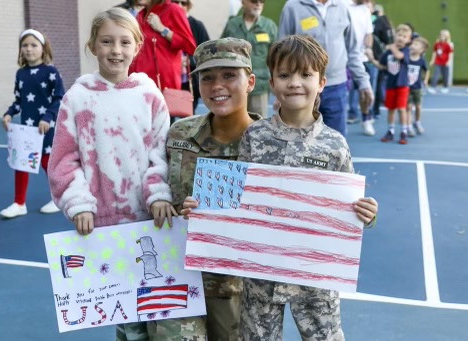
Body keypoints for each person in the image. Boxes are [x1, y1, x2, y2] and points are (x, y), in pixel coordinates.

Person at [235, 34, 378, 341]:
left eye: (305, 74)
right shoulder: (254, 136)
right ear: (272, 83)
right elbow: (237, 198)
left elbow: (349, 208)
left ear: (322, 83)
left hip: (316, 278)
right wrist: (206, 209)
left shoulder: (335, 145)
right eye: (284, 75)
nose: (295, 83)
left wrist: (366, 213)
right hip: (262, 274)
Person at [47, 8, 177, 337]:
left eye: (123, 42)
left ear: (138, 46)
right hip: (105, 229)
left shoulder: (150, 96)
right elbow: (63, 159)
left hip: (151, 223)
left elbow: (161, 152)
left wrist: (159, 193)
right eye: (106, 41)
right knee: (128, 318)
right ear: (92, 46)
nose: (115, 50)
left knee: (161, 313)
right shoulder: (76, 99)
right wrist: (78, 203)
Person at [156, 38, 262, 340]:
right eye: (207, 77)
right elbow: (154, 186)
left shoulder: (271, 144)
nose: (217, 85)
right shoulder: (179, 134)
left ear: (250, 81)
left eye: (229, 75)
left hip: (236, 287)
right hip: (178, 275)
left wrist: (362, 212)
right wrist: (170, 207)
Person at [278, 0, 374, 137]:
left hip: (336, 87)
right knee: (298, 141)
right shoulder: (293, 6)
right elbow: (282, 52)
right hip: (303, 87)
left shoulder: (342, 7)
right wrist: (281, 87)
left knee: (335, 141)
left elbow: (353, 51)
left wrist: (364, 81)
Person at [0, 29, 65, 219]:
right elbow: (19, 100)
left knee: (47, 163)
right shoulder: (21, 74)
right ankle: (19, 203)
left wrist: (48, 118)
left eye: (33, 45)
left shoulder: (51, 72)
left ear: (43, 48)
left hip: (46, 128)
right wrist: (9, 114)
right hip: (26, 130)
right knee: (21, 164)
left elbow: (59, 98)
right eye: (25, 45)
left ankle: (58, 198)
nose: (29, 49)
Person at [221, 0, 278, 117]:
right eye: (254, 1)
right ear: (243, 2)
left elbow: (276, 60)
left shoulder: (270, 26)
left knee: (258, 125)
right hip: (234, 84)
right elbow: (221, 52)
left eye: (262, 1)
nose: (258, 4)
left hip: (259, 85)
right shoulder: (232, 25)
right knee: (234, 122)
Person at [129, 0, 196, 93]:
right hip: (138, 84)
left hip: (163, 86)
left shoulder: (173, 9)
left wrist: (162, 29)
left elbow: (189, 45)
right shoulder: (140, 15)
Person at [375, 24, 412, 145]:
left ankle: (404, 131)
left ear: (408, 40)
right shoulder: (388, 53)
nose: (401, 38)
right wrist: (371, 59)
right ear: (395, 36)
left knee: (401, 109)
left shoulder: (405, 51)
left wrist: (392, 47)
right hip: (390, 85)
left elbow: (399, 56)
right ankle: (390, 131)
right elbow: (382, 65)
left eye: (404, 36)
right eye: (399, 35)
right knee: (391, 109)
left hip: (402, 85)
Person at [345, 0, 377, 136]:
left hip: (359, 59)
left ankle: (366, 119)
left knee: (364, 92)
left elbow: (368, 34)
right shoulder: (339, 4)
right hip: (340, 59)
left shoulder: (365, 10)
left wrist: (368, 48)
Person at [173, 0, 210, 113]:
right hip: (169, 81)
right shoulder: (165, 24)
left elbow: (207, 53)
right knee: (166, 120)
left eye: (183, 3)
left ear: (188, 5)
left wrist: (190, 61)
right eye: (175, 2)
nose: (179, 6)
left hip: (189, 81)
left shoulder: (197, 25)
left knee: (188, 120)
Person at [371, 3, 393, 119]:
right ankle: (375, 110)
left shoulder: (368, 19)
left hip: (368, 56)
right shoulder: (384, 21)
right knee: (378, 83)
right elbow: (388, 39)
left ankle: (368, 112)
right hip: (379, 56)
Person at [407, 36, 429, 136]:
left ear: (422, 50)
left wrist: (426, 79)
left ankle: (417, 122)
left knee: (418, 107)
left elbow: (427, 70)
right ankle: (409, 125)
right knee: (409, 107)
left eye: (416, 45)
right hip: (406, 87)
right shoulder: (406, 57)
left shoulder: (421, 60)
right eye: (412, 44)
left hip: (417, 88)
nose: (413, 46)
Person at [428, 29, 454, 94]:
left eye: (444, 36)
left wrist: (449, 61)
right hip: (438, 62)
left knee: (445, 75)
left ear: (447, 37)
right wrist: (432, 60)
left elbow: (450, 54)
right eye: (441, 35)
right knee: (435, 75)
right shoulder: (437, 44)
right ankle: (432, 87)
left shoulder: (448, 45)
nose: (442, 37)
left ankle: (445, 87)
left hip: (445, 63)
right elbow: (434, 53)